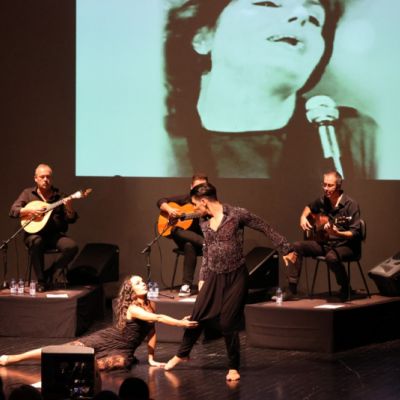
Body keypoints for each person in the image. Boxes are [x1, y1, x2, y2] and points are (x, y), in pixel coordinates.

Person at [164, 0, 377, 179]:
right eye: (268, 3)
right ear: (203, 37)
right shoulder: (157, 143)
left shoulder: (357, 139)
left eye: (315, 19)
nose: (301, 15)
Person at [164, 182, 295, 381]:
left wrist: (286, 248)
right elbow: (207, 252)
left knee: (227, 322)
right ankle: (183, 354)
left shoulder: (236, 215)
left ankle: (233, 366)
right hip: (214, 275)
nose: (195, 208)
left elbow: (264, 226)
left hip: (236, 276)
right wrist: (202, 278)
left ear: (204, 201)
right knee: (197, 314)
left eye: (196, 204)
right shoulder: (203, 221)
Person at [0, 275, 198, 371]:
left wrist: (152, 358)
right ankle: (13, 358)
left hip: (124, 349)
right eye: (138, 283)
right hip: (107, 339)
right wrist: (180, 323)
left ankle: (65, 368)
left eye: (142, 281)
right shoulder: (132, 308)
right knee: (63, 350)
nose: (143, 283)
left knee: (118, 363)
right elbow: (158, 319)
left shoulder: (151, 304)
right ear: (130, 291)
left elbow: (152, 331)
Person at [283, 170, 361, 301]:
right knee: (296, 246)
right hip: (326, 243)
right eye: (324, 185)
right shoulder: (323, 200)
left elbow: (355, 233)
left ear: (338, 186)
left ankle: (345, 287)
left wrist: (337, 233)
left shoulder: (351, 205)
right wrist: (303, 217)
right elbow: (309, 207)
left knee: (331, 257)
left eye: (330, 185)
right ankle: (292, 289)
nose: (326, 188)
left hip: (346, 245)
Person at [9, 163, 79, 292]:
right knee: (36, 241)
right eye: (42, 177)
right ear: (36, 178)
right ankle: (41, 281)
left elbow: (71, 219)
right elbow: (13, 210)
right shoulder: (27, 193)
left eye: (48, 177)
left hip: (55, 236)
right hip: (33, 235)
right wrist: (28, 210)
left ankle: (50, 273)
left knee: (71, 246)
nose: (46, 179)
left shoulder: (60, 196)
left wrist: (69, 208)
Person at [157, 173, 208, 296]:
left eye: (203, 187)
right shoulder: (185, 199)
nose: (199, 189)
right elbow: (161, 201)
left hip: (199, 243)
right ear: (191, 187)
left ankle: (186, 285)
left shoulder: (208, 202)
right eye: (197, 186)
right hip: (184, 237)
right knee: (175, 230)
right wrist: (169, 209)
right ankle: (206, 243)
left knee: (189, 245)